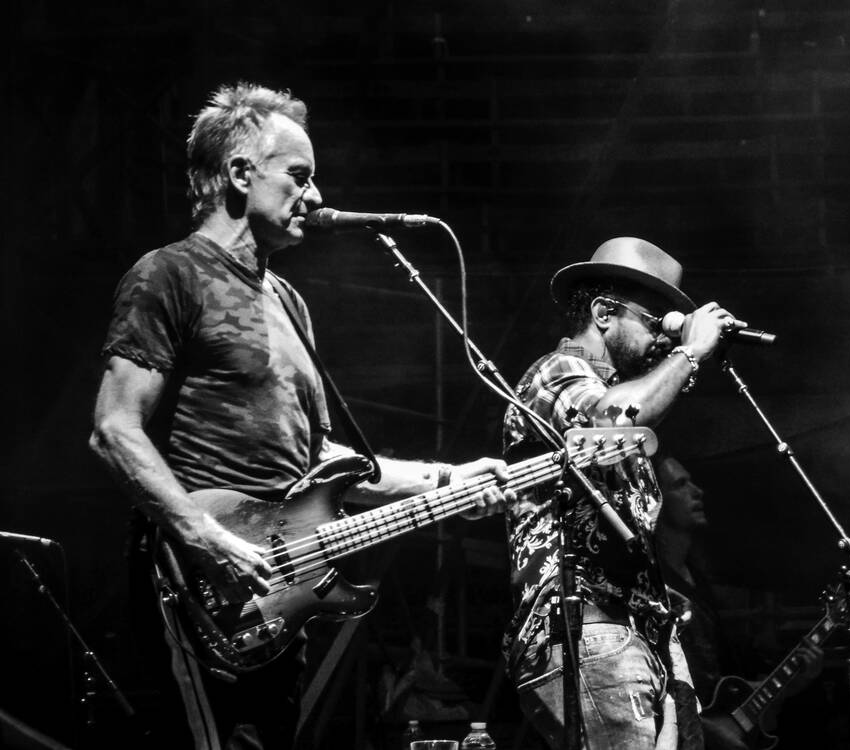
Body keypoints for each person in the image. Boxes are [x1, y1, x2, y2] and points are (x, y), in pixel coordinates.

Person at [89, 82, 512, 750]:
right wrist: (207, 539)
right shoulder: (169, 275)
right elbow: (114, 428)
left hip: (278, 601)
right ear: (238, 173)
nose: (313, 197)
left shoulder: (289, 303)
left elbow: (322, 465)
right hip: (199, 584)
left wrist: (449, 481)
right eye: (299, 177)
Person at [502, 236, 737, 749]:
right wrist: (693, 351)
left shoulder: (611, 389)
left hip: (645, 634)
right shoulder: (556, 372)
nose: (665, 337)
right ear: (604, 313)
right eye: (655, 321)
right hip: (585, 627)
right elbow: (612, 417)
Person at [652, 456, 824, 749]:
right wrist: (708, 730)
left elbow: (725, 689)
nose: (697, 491)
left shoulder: (699, 580)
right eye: (680, 485)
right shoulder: (655, 584)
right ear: (653, 500)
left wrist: (794, 681)